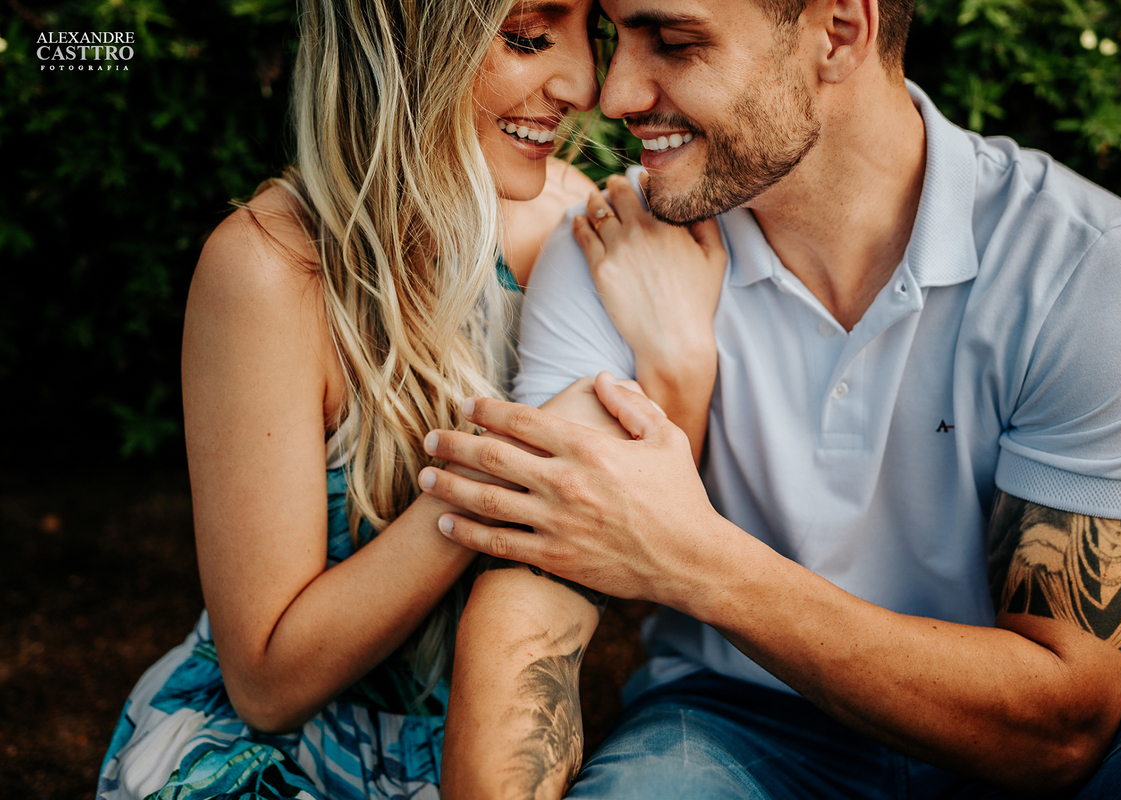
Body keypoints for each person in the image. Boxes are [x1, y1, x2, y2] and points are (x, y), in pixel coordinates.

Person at [416, 0, 1121, 796]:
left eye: (675, 42)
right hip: (728, 731)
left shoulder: (1081, 263)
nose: (612, 94)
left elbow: (1061, 725)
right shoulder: (618, 246)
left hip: (997, 749)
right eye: (617, 38)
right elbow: (532, 595)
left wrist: (693, 558)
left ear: (839, 33)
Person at [95, 0, 722, 797]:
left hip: (482, 749)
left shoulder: (577, 227)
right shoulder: (269, 271)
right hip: (274, 760)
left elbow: (634, 582)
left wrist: (680, 368)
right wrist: (510, 467)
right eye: (528, 36)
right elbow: (267, 685)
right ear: (402, 40)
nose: (586, 85)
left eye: (589, 36)